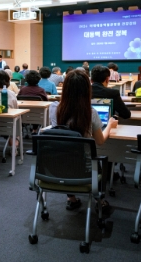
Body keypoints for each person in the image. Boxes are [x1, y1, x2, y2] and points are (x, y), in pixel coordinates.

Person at [48, 69, 118, 210]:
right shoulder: (90, 112)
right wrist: (109, 125)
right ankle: (99, 200)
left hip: (56, 163)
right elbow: (100, 141)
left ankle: (71, 198)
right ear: (87, 89)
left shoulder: (54, 108)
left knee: (69, 156)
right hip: (84, 167)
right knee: (104, 161)